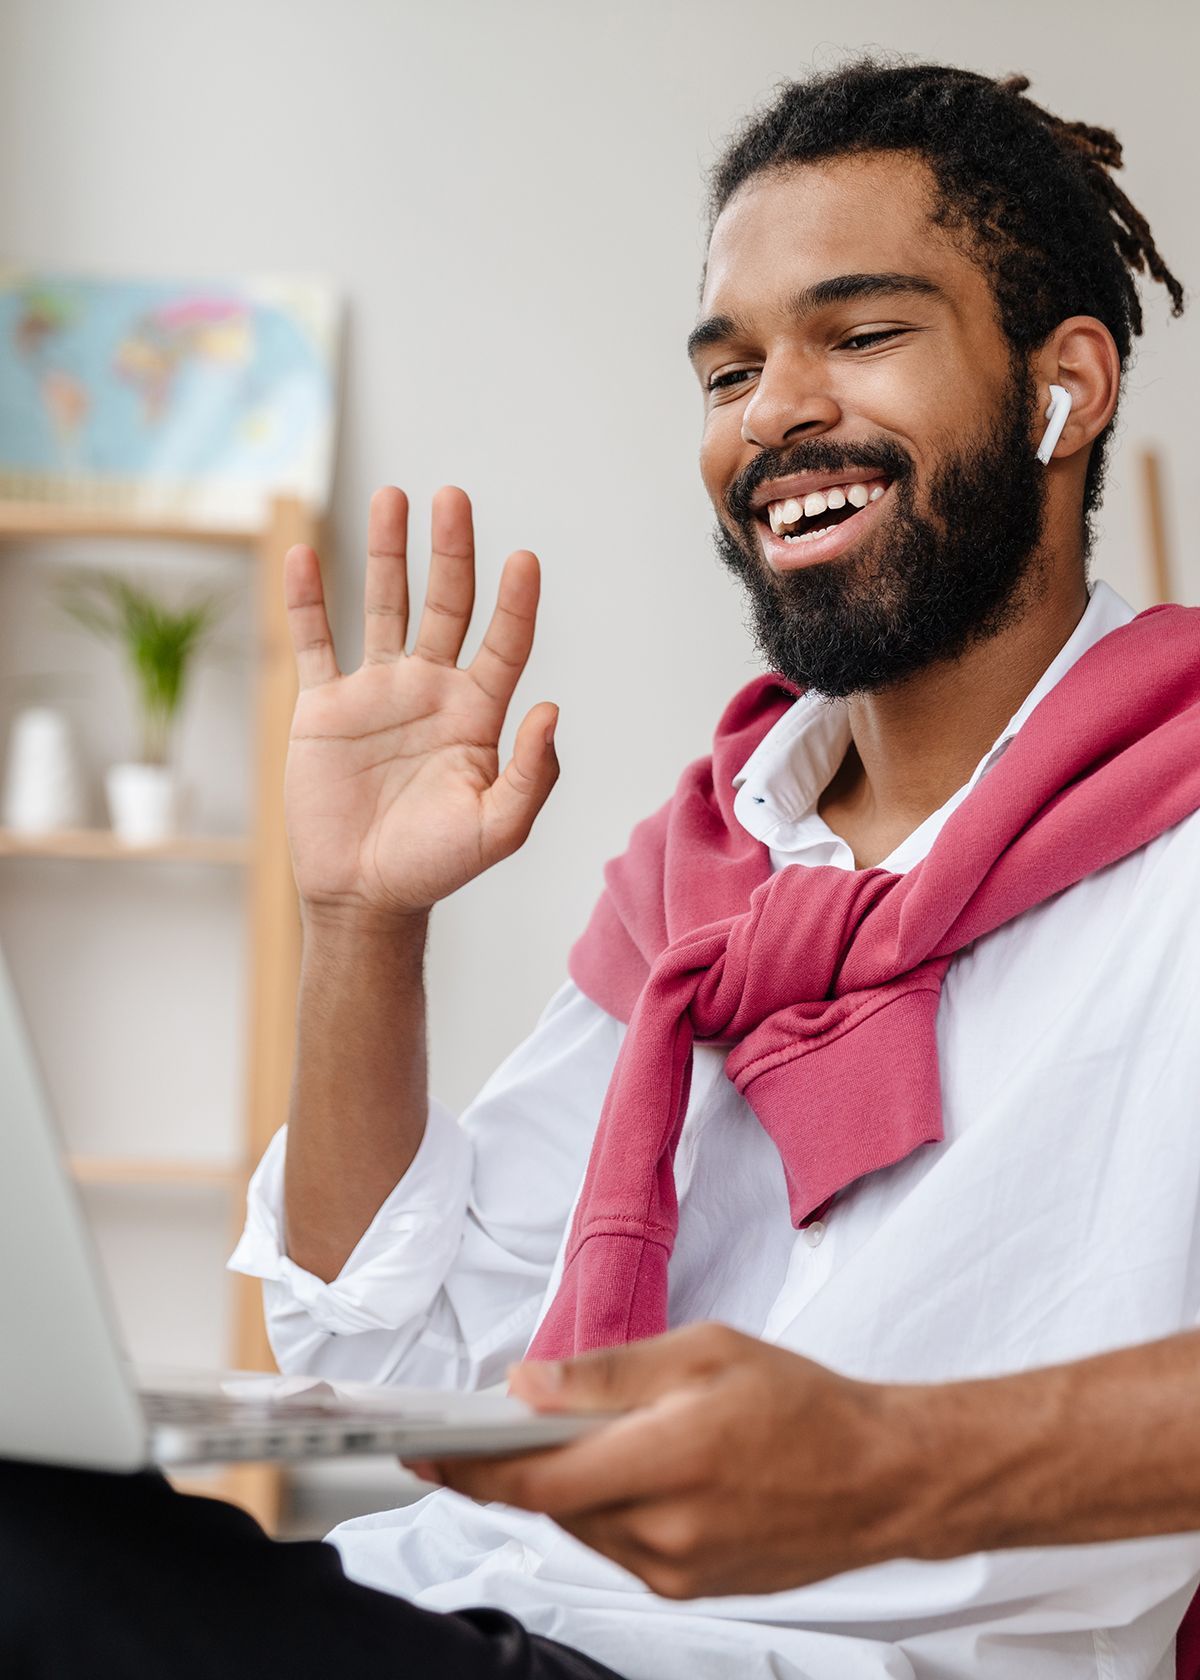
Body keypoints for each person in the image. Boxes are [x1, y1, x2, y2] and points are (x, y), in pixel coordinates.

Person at [5, 54, 1200, 1680]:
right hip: (457, 1601)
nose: (774, 412)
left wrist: (896, 1465)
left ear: (1068, 386)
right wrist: (361, 923)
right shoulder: (710, 869)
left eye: (859, 335)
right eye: (727, 371)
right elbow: (409, 1356)